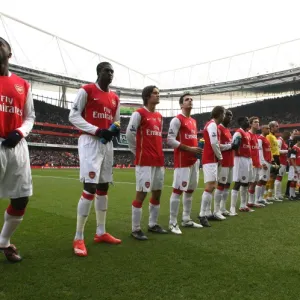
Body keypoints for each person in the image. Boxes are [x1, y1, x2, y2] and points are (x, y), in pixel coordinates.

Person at [69, 61, 121, 257]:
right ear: (99, 72)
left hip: (106, 145)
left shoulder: (115, 97)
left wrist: (113, 130)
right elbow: (73, 116)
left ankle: (100, 232)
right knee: (90, 187)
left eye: (112, 71)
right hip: (90, 141)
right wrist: (98, 130)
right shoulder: (87, 90)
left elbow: (115, 120)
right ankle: (78, 236)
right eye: (107, 71)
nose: (110, 74)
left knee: (103, 186)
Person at [0, 37, 35, 262]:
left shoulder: (22, 84)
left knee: (21, 198)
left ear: (9, 53)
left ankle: (3, 241)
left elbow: (30, 116)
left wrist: (20, 132)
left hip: (17, 145)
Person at [126, 85, 167, 240]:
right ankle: (135, 229)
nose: (158, 95)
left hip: (158, 160)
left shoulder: (159, 116)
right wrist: (138, 152)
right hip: (145, 161)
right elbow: (130, 135)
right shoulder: (138, 114)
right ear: (147, 96)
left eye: (158, 93)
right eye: (155, 93)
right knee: (141, 194)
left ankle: (152, 224)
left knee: (157, 193)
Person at [167, 92, 203, 234]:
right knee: (177, 191)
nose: (190, 101)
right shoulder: (177, 120)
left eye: (191, 99)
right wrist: (189, 148)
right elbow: (170, 140)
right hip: (182, 161)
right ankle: (172, 223)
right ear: (182, 104)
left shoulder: (193, 121)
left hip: (194, 160)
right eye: (187, 99)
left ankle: (186, 219)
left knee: (190, 190)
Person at [198, 106, 225, 227]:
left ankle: (206, 213)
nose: (224, 116)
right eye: (223, 114)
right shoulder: (212, 125)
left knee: (212, 185)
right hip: (210, 158)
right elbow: (214, 143)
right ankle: (202, 214)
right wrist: (220, 157)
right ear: (220, 114)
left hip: (210, 158)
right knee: (210, 186)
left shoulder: (212, 125)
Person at [213, 110, 236, 219]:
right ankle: (216, 210)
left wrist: (232, 146)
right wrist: (231, 146)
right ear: (223, 116)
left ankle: (222, 208)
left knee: (227, 185)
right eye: (228, 115)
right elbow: (218, 145)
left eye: (231, 116)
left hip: (231, 161)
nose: (230, 117)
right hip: (223, 161)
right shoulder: (219, 128)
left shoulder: (227, 130)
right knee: (221, 185)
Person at [230, 117, 252, 215]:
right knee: (238, 183)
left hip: (247, 159)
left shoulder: (246, 133)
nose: (248, 122)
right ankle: (232, 208)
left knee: (245, 183)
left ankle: (243, 205)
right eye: (246, 120)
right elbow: (234, 146)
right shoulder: (238, 133)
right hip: (240, 159)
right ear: (240, 122)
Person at [247, 117, 264, 208]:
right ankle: (247, 201)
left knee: (254, 182)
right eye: (255, 122)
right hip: (251, 163)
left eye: (258, 122)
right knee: (250, 183)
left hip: (257, 163)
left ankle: (251, 202)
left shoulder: (256, 136)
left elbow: (256, 151)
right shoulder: (248, 135)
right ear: (250, 124)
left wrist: (259, 162)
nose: (257, 124)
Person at [255, 125, 273, 205]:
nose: (268, 129)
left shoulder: (266, 139)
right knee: (261, 180)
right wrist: (262, 163)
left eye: (269, 128)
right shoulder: (260, 139)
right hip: (264, 162)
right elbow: (259, 152)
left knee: (265, 181)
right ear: (262, 129)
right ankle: (256, 199)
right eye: (267, 128)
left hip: (268, 161)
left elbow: (268, 151)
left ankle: (261, 198)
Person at [265, 121, 280, 200]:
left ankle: (270, 195)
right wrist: (272, 158)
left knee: (274, 176)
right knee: (270, 176)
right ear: (271, 127)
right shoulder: (269, 136)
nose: (278, 127)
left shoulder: (274, 136)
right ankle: (265, 195)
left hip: (277, 157)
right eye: (276, 126)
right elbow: (268, 148)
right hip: (273, 157)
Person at [274, 131, 289, 200]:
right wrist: (287, 151)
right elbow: (278, 151)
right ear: (285, 135)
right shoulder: (279, 140)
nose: (288, 138)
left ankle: (279, 194)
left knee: (280, 178)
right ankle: (276, 195)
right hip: (280, 161)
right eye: (288, 136)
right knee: (278, 178)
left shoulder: (283, 141)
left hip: (284, 161)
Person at [285, 129, 299, 197]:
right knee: (293, 180)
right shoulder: (294, 148)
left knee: (295, 180)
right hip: (294, 166)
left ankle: (293, 195)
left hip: (297, 166)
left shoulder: (297, 148)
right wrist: (295, 167)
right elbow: (292, 158)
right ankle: (290, 195)